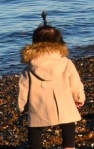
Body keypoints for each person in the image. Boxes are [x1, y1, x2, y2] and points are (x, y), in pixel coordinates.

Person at [18, 12, 86, 149]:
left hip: (38, 105)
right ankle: (69, 147)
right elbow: (75, 83)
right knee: (68, 124)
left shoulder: (29, 68)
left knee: (35, 129)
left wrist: (22, 107)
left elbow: (23, 89)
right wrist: (78, 98)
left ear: (34, 43)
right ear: (59, 42)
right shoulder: (66, 63)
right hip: (64, 103)